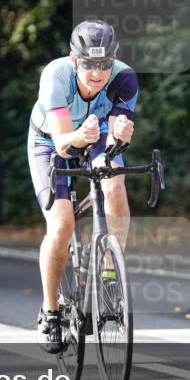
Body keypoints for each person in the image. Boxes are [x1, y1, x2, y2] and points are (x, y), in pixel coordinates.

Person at [28, 20, 137, 352]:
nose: (97, 73)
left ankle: (108, 273)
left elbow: (118, 128)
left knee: (115, 185)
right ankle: (50, 312)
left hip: (96, 137)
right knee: (62, 225)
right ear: (75, 60)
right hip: (50, 140)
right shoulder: (56, 76)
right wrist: (79, 137)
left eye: (104, 64)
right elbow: (63, 143)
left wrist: (120, 136)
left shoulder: (125, 78)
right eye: (89, 64)